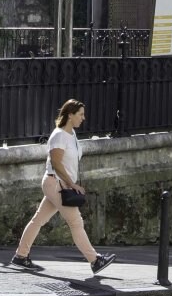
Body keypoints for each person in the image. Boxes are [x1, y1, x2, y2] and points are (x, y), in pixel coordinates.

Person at [10, 99, 116, 275]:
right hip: (56, 183)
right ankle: (95, 260)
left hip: (58, 184)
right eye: (80, 114)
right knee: (76, 222)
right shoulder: (59, 135)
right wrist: (72, 184)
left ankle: (20, 256)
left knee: (38, 220)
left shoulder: (71, 134)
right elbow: (57, 164)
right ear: (70, 115)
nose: (83, 118)